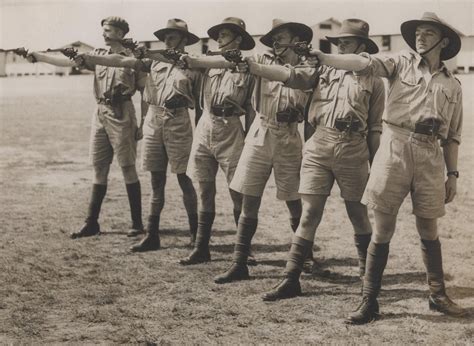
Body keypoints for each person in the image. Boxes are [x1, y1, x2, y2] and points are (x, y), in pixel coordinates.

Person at [309, 12, 466, 323]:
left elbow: (453, 137)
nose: (420, 37)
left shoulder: (454, 85)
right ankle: (369, 301)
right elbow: (363, 63)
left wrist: (452, 174)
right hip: (394, 147)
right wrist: (325, 57)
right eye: (417, 32)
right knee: (383, 229)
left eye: (427, 33)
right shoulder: (400, 63)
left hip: (430, 153)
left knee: (428, 229)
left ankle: (437, 294)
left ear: (443, 41)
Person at [258, 18, 385, 301]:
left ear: (362, 47)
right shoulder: (322, 68)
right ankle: (291, 278)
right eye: (338, 43)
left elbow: (375, 128)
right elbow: (294, 78)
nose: (341, 47)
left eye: (347, 43)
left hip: (353, 147)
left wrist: (375, 166)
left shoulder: (374, 80)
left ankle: (366, 275)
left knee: (357, 214)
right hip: (320, 144)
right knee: (309, 213)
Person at [78, 18, 202, 251]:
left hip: (179, 122)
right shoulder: (152, 63)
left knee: (184, 178)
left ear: (185, 40)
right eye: (164, 37)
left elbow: (200, 103)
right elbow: (119, 59)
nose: (167, 40)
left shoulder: (194, 66)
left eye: (172, 36)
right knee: (156, 181)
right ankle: (152, 235)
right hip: (155, 121)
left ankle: (195, 235)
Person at [213, 19, 314, 284]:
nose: (276, 43)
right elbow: (234, 63)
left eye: (281, 37)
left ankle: (305, 254)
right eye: (274, 38)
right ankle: (239, 262)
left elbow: (312, 108)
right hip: (261, 131)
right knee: (249, 199)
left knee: (293, 200)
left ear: (297, 40)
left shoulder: (309, 69)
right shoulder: (259, 60)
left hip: (290, 136)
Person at [28, 17, 145, 239]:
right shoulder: (98, 55)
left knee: (127, 167)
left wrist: (143, 122)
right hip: (100, 112)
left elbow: (145, 92)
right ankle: (91, 223)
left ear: (120, 34)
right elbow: (69, 63)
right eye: (103, 31)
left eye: (108, 31)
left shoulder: (133, 58)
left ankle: (137, 223)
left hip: (123, 113)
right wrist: (39, 56)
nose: (104, 34)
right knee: (99, 167)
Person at [178, 17, 256, 265]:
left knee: (237, 192)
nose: (219, 39)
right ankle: (201, 247)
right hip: (206, 127)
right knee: (204, 189)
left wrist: (249, 142)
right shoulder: (209, 64)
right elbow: (200, 101)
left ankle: (244, 250)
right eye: (219, 35)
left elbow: (252, 110)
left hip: (231, 128)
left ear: (238, 40)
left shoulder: (248, 67)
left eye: (224, 35)